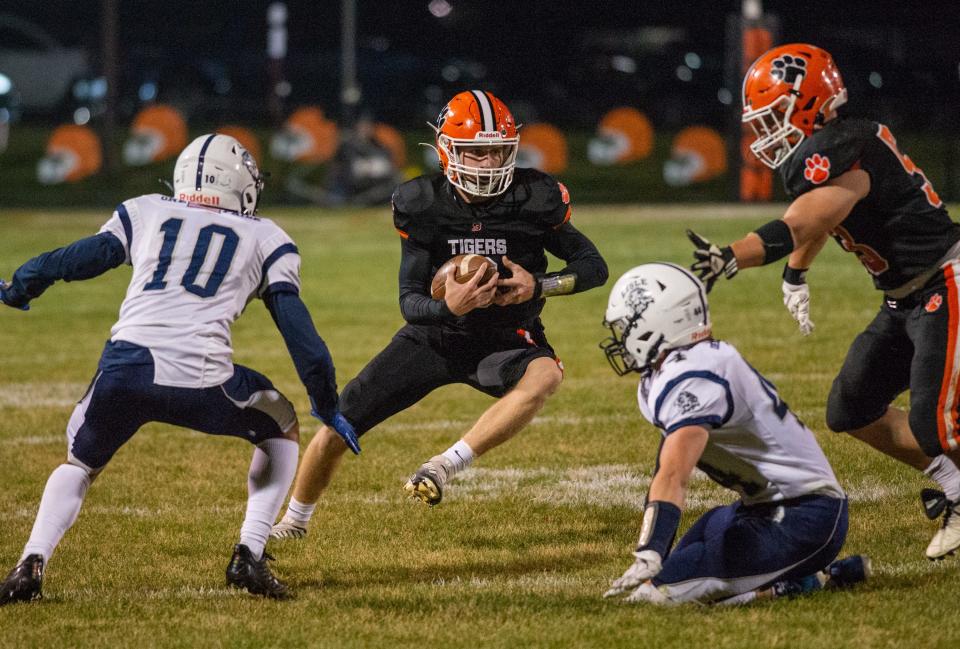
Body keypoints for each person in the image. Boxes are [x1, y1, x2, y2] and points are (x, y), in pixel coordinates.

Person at [0, 134, 359, 604]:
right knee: (281, 421)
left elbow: (77, 259)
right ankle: (249, 553)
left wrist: (22, 285)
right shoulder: (267, 237)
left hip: (126, 368)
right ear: (238, 184)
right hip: (202, 380)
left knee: (80, 464)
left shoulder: (147, 209)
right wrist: (326, 402)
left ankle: (31, 561)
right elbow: (301, 336)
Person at [270, 90, 608, 538]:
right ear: (448, 151)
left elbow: (594, 267)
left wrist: (539, 284)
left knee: (546, 374)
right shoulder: (422, 202)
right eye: (475, 151)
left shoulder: (535, 196)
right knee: (338, 424)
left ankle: (444, 465)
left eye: (498, 151)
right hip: (435, 337)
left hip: (506, 336)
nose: (488, 163)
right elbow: (409, 300)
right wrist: (448, 306)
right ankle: (292, 523)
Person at [686, 43, 960, 561]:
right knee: (850, 408)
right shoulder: (839, 149)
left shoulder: (844, 147)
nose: (766, 134)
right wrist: (797, 271)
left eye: (773, 118)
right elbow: (824, 216)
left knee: (935, 422)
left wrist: (734, 255)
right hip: (904, 297)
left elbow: (806, 218)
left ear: (807, 100)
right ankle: (955, 484)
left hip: (946, 278)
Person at [599, 263, 858, 605]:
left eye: (625, 325)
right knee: (689, 557)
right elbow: (666, 465)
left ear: (657, 320)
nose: (620, 336)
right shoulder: (681, 365)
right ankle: (813, 578)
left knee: (656, 598)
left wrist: (650, 549)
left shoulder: (694, 375)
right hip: (756, 509)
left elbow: (675, 472)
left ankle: (786, 584)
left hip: (803, 518)